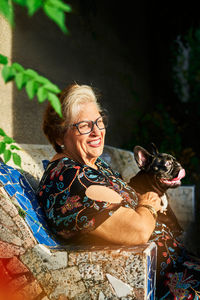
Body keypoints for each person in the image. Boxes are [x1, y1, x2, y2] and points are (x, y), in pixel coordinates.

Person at [37, 83, 200, 299]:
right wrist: (149, 202)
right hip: (163, 282)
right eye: (85, 125)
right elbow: (138, 230)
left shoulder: (91, 165)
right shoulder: (71, 179)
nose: (97, 131)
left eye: (99, 121)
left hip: (175, 267)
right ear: (59, 136)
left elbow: (126, 204)